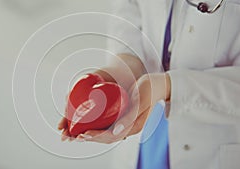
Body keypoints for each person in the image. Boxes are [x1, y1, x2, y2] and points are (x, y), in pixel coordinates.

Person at [58, 0, 240, 168]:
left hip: (213, 138)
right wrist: (124, 67)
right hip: (143, 122)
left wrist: (169, 87)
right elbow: (128, 9)